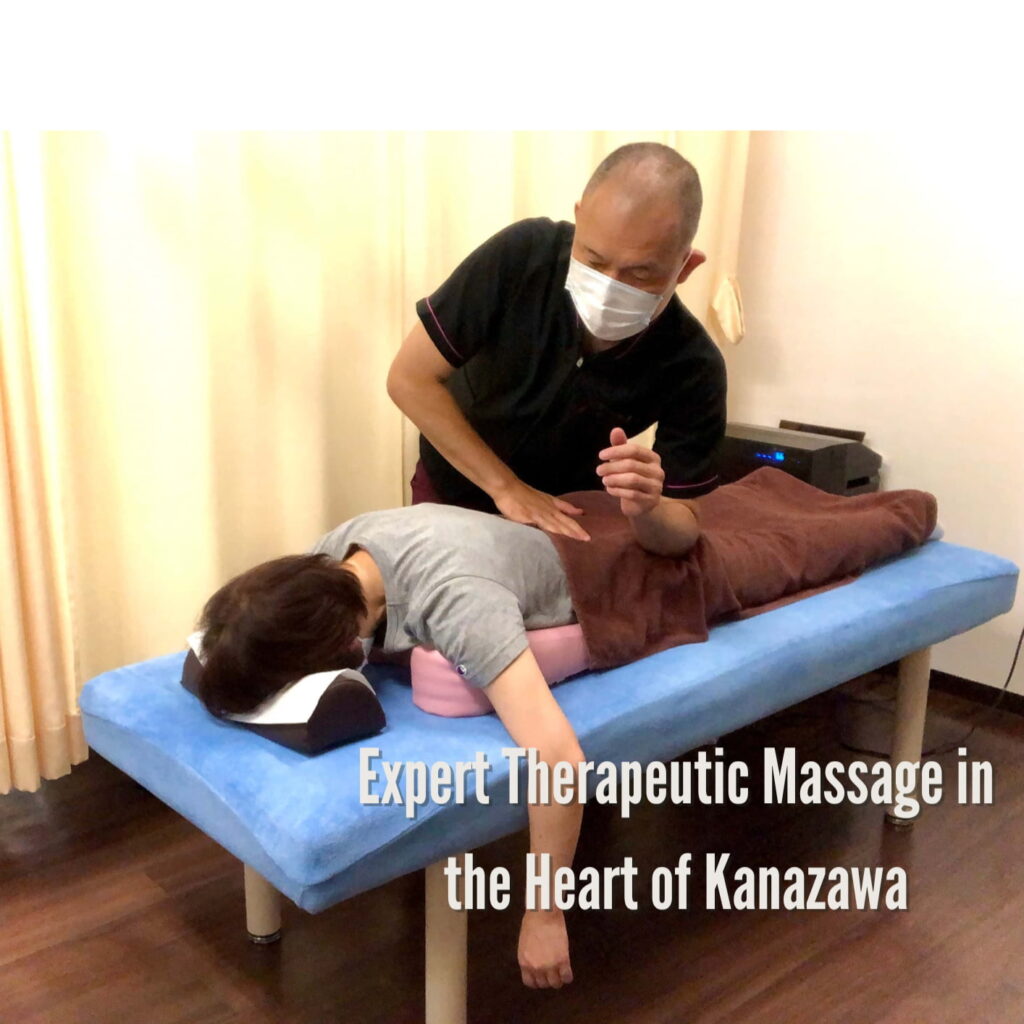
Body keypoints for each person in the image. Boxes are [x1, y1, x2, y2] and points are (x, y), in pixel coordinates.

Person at [193, 446, 702, 991]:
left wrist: (545, 915)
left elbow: (558, 759)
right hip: (510, 544)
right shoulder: (331, 558)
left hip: (613, 573)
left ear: (339, 649)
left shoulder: (457, 603)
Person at [387, 141, 727, 549]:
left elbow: (684, 528)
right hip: (453, 483)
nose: (608, 288)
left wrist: (648, 508)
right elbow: (409, 379)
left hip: (562, 515)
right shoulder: (523, 255)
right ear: (580, 218)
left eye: (639, 274)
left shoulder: (694, 367)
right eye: (594, 260)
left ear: (686, 266)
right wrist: (507, 488)